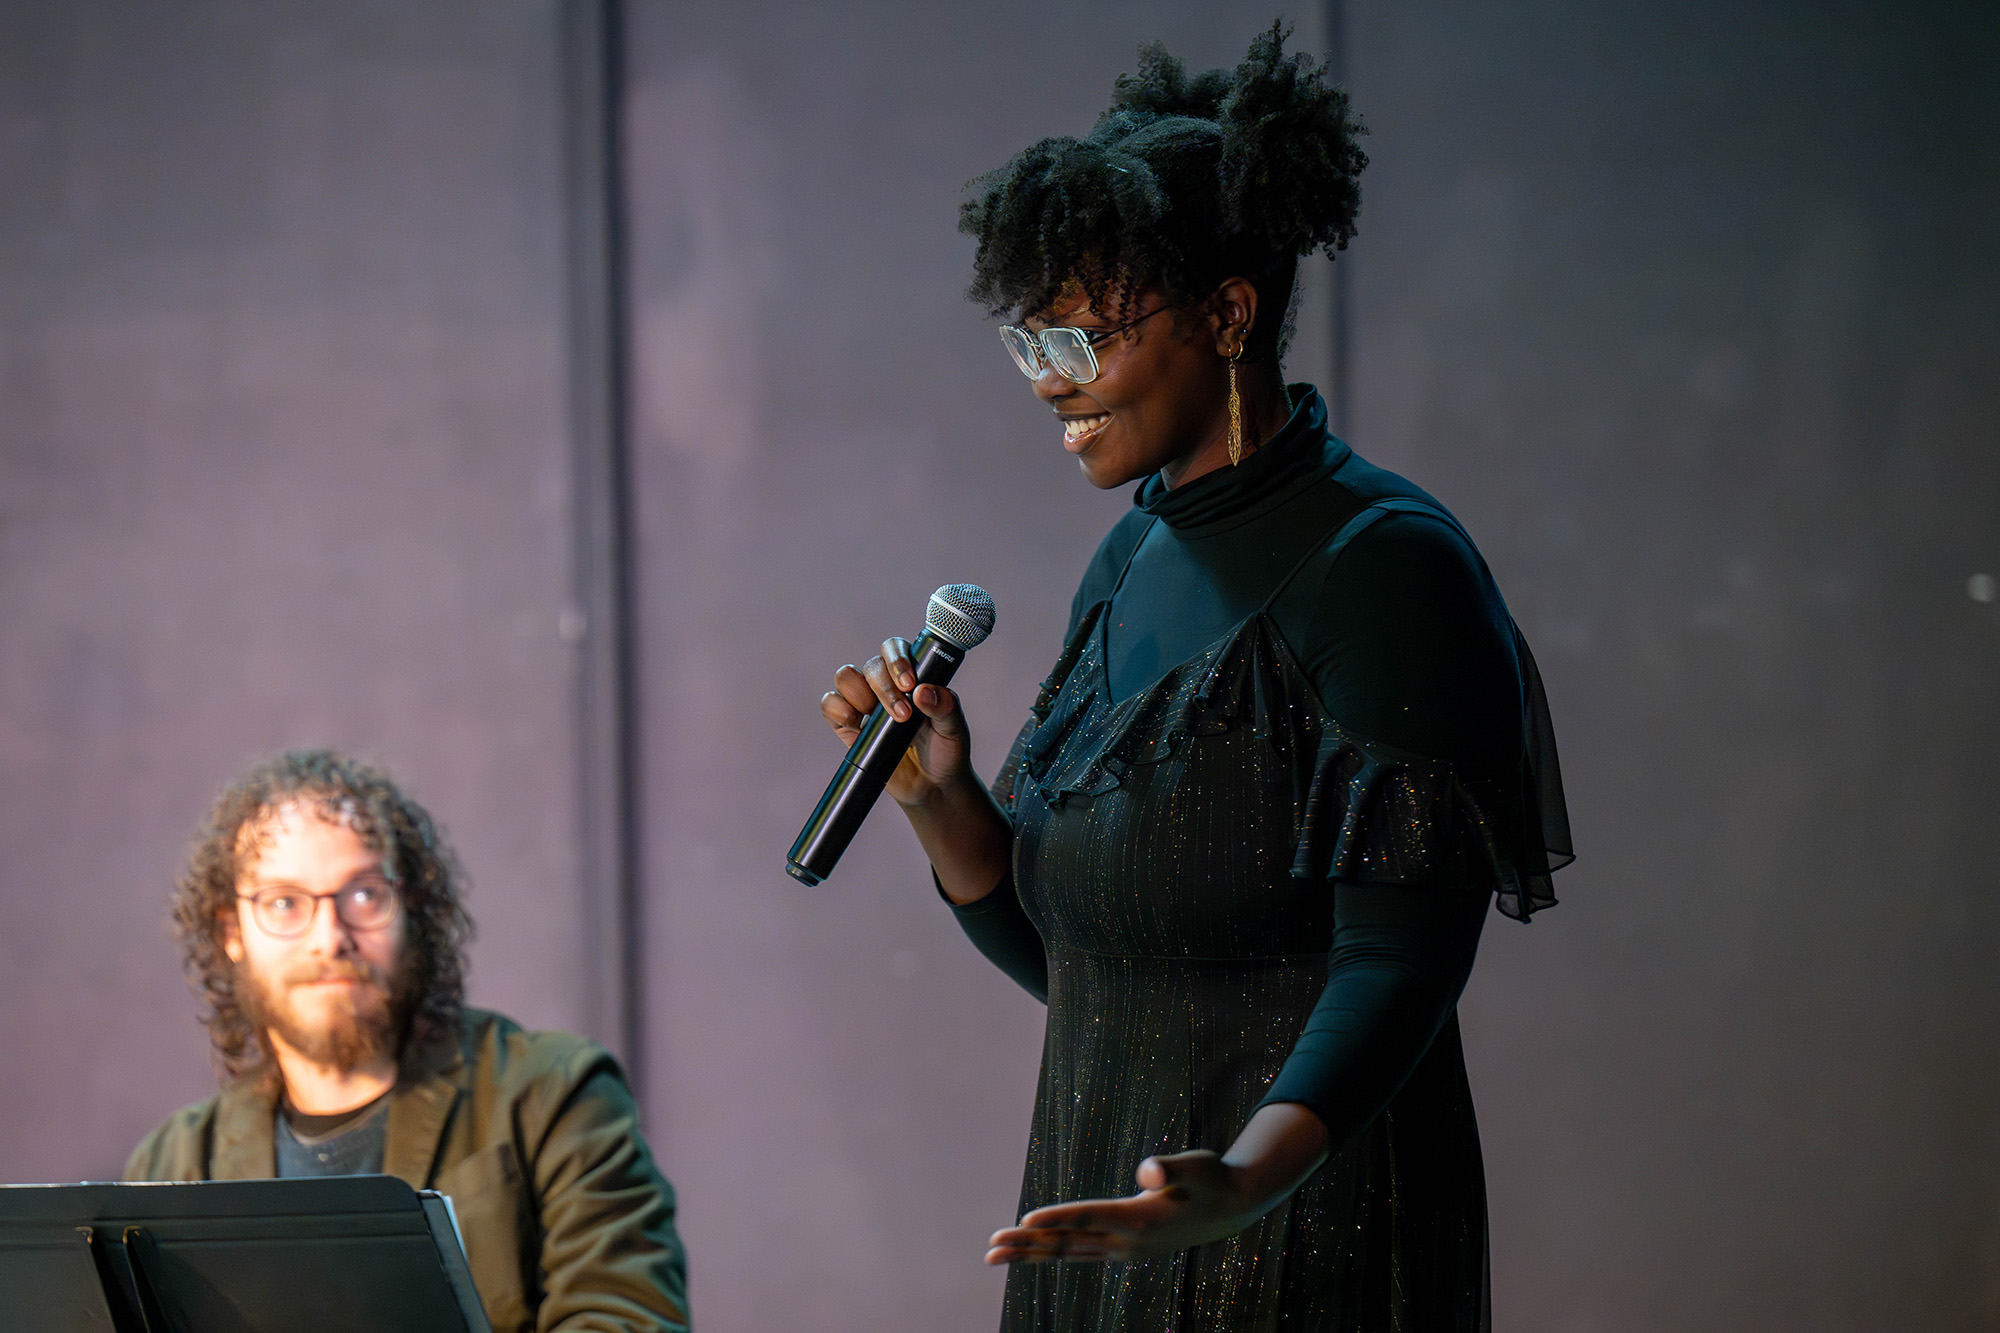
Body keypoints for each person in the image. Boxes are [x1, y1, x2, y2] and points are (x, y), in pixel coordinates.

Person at [819, 24, 1570, 1332]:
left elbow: (1401, 961)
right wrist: (943, 803)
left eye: (1084, 338)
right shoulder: (1130, 553)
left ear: (1229, 313)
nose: (1051, 383)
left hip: (1297, 1233)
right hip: (1107, 1212)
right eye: (1031, 341)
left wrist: (1245, 1182)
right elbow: (1094, 964)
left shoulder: (1384, 568)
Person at [124, 750, 691, 1333]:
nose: (329, 937)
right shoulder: (172, 1164)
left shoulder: (553, 1094)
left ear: (410, 910)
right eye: (284, 903)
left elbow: (627, 1319)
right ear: (230, 933)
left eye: (364, 894)